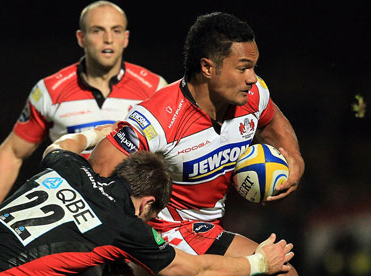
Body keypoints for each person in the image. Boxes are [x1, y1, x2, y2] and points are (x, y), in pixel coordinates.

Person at [88, 12, 305, 275]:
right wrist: (123, 241)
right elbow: (98, 170)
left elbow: (271, 122)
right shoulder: (158, 118)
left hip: (207, 229)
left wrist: (295, 159)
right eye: (243, 68)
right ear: (207, 68)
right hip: (163, 231)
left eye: (253, 68)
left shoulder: (253, 94)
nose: (251, 78)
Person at [0, 126, 295, 276]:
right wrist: (260, 262)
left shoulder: (66, 165)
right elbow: (194, 269)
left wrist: (107, 132)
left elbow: (60, 144)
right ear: (148, 203)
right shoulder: (124, 225)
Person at [0, 0, 167, 222]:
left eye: (116, 31)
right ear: (81, 38)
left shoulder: (155, 88)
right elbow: (13, 152)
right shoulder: (49, 91)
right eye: (97, 31)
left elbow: (172, 155)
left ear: (125, 38)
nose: (108, 39)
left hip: (130, 218)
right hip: (67, 217)